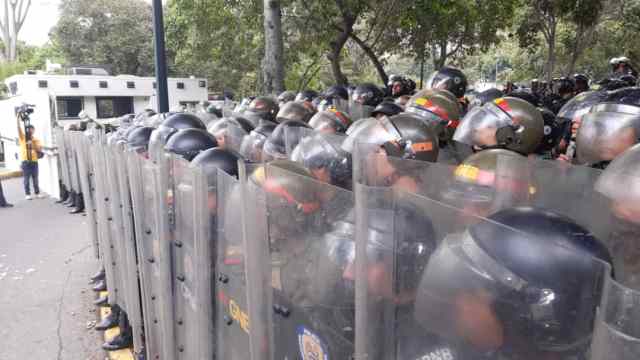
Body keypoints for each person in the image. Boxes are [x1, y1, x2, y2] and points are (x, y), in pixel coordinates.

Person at [17, 114, 43, 200]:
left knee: (36, 179)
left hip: (34, 161)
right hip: (25, 161)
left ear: (34, 131)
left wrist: (32, 145)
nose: (31, 131)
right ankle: (27, 194)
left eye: (32, 130)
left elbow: (39, 149)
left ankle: (37, 193)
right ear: (27, 130)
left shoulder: (36, 140)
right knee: (26, 179)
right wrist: (17, 118)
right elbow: (18, 128)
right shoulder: (23, 137)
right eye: (30, 129)